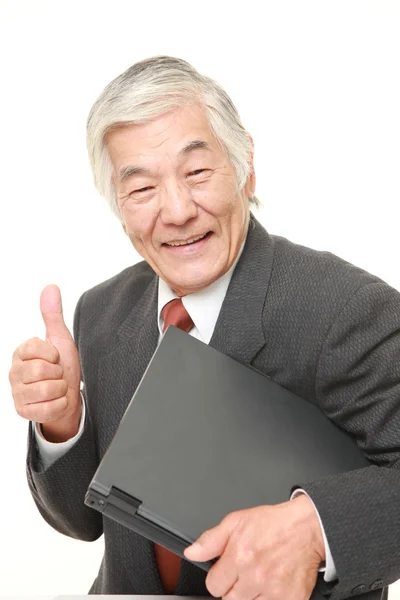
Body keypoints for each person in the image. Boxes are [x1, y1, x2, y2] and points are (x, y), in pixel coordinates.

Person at [9, 56, 400, 600]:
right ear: (117, 205)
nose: (176, 210)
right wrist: (61, 427)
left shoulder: (346, 309)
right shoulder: (101, 312)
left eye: (196, 173)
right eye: (141, 188)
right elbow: (83, 521)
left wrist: (317, 528)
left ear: (246, 169)